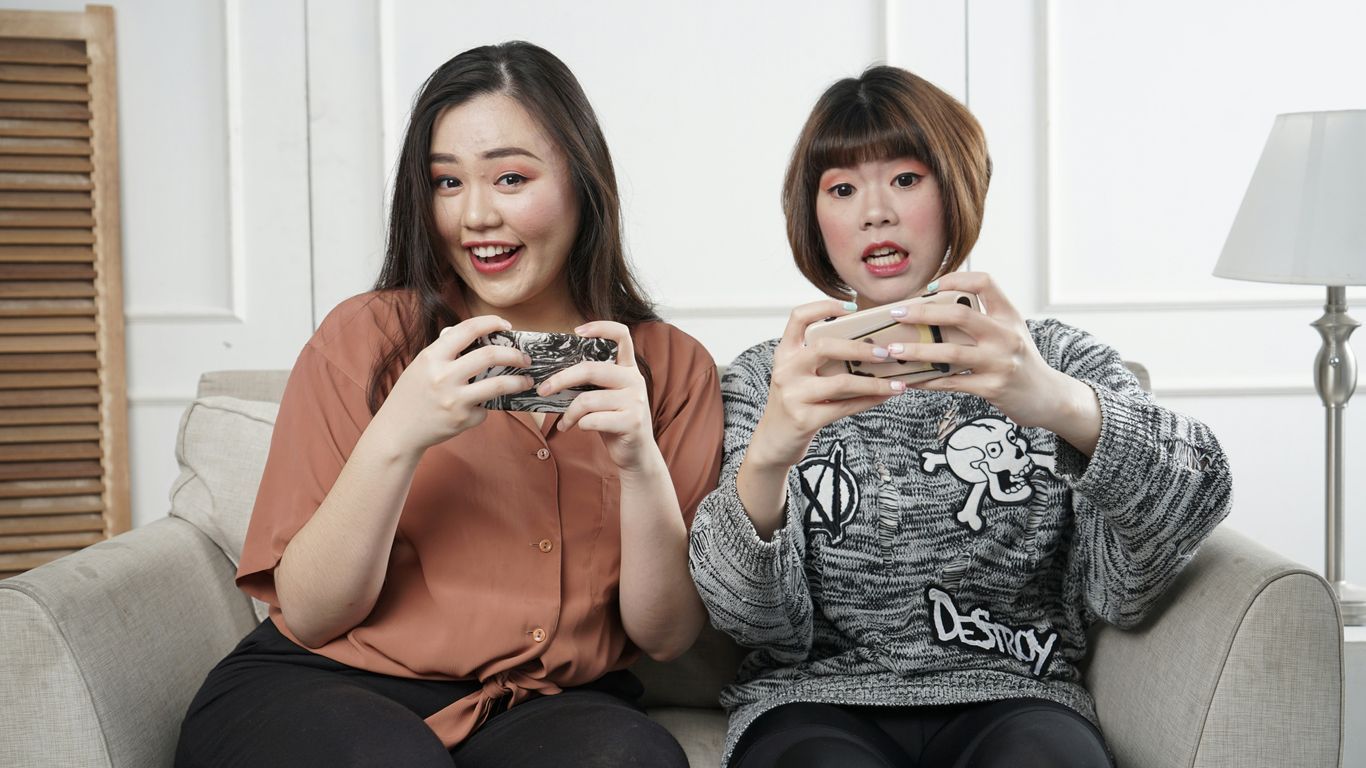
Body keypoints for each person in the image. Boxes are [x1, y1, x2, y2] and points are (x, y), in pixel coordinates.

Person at [175, 41, 722, 768]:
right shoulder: (364, 339)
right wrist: (398, 435)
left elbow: (665, 636)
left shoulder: (670, 367)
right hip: (326, 687)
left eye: (511, 177)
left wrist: (638, 465)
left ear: (581, 181)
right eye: (446, 183)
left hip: (544, 707)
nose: (476, 216)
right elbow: (309, 612)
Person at [687, 65, 1232, 768]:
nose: (874, 212)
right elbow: (750, 621)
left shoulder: (1052, 356)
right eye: (842, 188)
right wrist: (769, 456)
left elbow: (1192, 500)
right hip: (813, 703)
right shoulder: (771, 374)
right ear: (813, 218)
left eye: (906, 179)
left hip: (1017, 693)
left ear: (956, 190)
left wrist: (1057, 402)